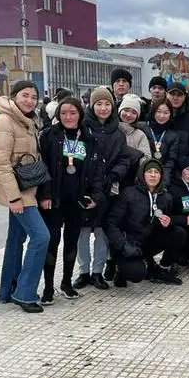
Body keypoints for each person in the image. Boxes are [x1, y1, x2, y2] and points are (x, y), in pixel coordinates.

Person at [36, 97, 106, 304]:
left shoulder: (88, 138)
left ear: (80, 114)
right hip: (54, 198)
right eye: (64, 113)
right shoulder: (49, 135)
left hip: (77, 199)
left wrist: (96, 197)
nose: (68, 117)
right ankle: (48, 287)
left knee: (72, 241)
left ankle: (66, 282)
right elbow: (43, 166)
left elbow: (97, 171)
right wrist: (45, 195)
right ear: (58, 115)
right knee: (52, 241)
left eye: (73, 113)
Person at [0, 80, 51, 314]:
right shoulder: (5, 121)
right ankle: (25, 293)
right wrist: (14, 198)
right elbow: (1, 163)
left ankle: (8, 290)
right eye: (25, 95)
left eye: (34, 97)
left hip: (27, 188)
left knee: (15, 240)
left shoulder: (28, 120)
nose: (29, 100)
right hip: (18, 193)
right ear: (14, 96)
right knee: (41, 237)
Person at [74, 87, 131, 291]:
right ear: (92, 106)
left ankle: (97, 271)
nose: (103, 108)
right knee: (82, 232)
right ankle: (83, 271)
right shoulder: (82, 128)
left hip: (107, 188)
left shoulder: (118, 132)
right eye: (99, 104)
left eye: (107, 104)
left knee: (101, 231)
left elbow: (124, 158)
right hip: (84, 186)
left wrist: (115, 174)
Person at [103, 157, 185, 285]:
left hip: (147, 242)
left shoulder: (166, 197)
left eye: (156, 172)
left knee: (178, 233)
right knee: (136, 274)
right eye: (149, 171)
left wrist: (167, 223)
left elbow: (162, 223)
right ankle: (120, 269)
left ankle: (161, 269)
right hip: (128, 245)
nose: (153, 175)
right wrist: (123, 245)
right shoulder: (128, 193)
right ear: (142, 174)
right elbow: (110, 223)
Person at [118, 94, 152, 160]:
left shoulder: (140, 135)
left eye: (133, 112)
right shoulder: (110, 130)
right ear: (119, 111)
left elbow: (146, 159)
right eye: (126, 110)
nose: (128, 115)